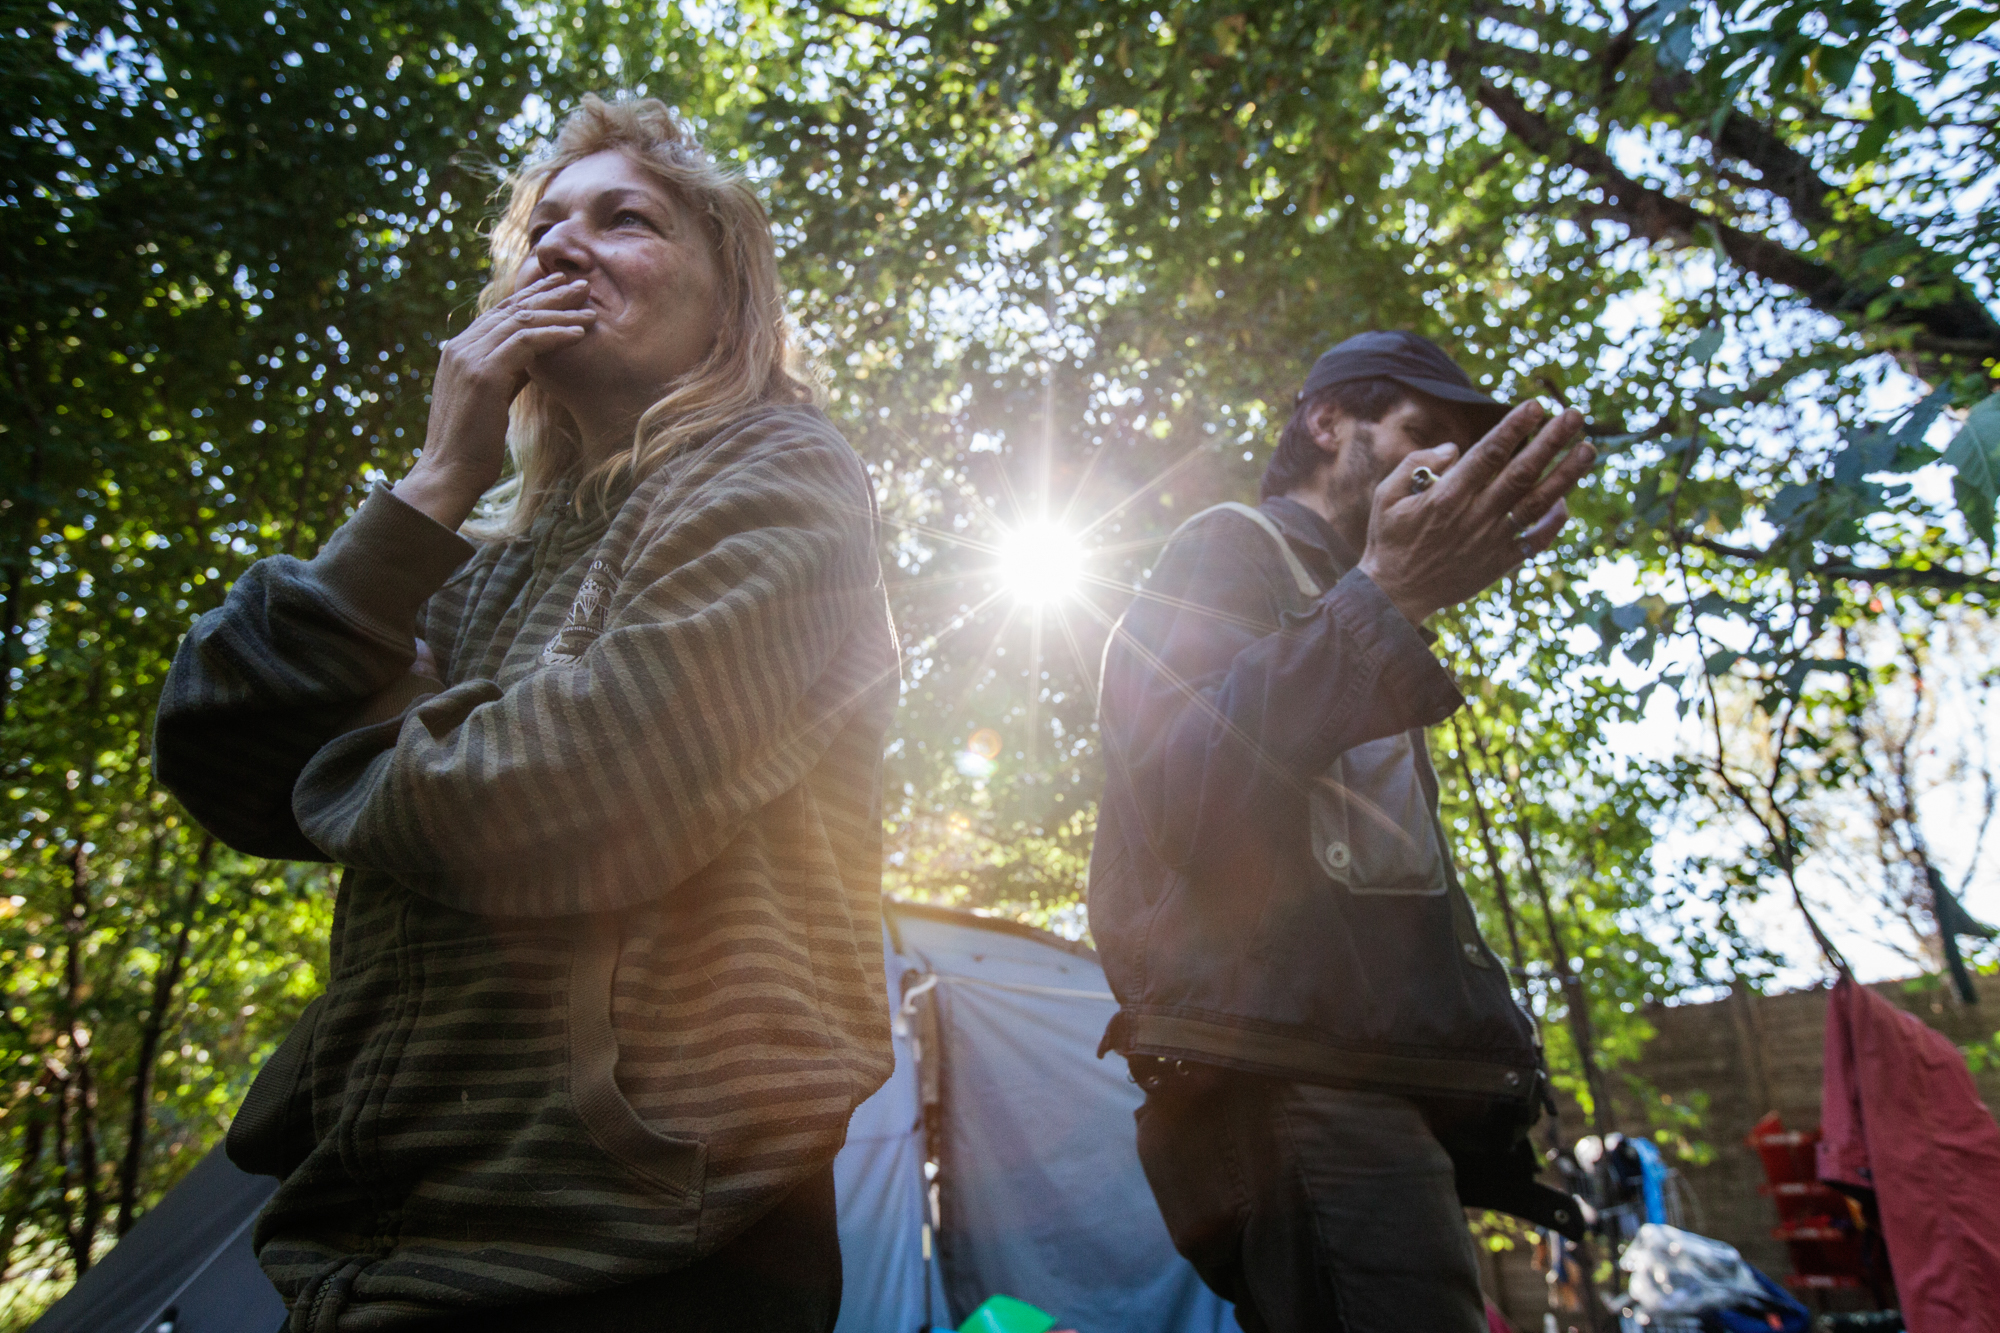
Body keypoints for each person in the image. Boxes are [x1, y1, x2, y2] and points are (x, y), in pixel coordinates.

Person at [154, 95, 899, 1333]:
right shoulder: (477, 552)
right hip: (374, 1245)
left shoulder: (783, 472)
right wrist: (439, 478)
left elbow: (573, 792)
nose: (562, 244)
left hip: (640, 1240)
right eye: (543, 225)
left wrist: (334, 776)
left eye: (626, 219)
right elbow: (219, 753)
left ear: (730, 296)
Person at [1088, 330, 1598, 1332]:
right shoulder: (1229, 546)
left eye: (1464, 444)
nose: (1447, 463)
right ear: (1326, 422)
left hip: (1357, 1080)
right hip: (1293, 1079)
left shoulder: (1355, 598)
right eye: (1421, 430)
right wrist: (1386, 599)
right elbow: (1181, 788)